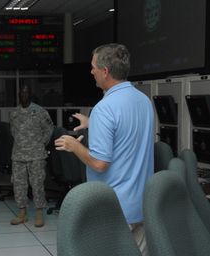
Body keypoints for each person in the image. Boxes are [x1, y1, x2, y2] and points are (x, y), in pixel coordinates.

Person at [54, 43, 154, 256]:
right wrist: (94, 123)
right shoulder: (143, 100)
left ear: (105, 71)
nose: (91, 72)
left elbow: (100, 164)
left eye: (93, 67)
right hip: (141, 204)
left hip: (114, 208)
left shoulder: (105, 108)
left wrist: (75, 145)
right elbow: (127, 132)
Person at [9, 84, 54, 228]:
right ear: (18, 94)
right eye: (21, 93)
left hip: (36, 155)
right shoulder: (14, 113)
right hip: (18, 155)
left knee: (37, 184)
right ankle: (22, 213)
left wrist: (41, 144)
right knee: (19, 185)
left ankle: (39, 213)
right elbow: (13, 132)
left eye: (26, 92)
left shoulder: (40, 111)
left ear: (30, 94)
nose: (24, 95)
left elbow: (49, 128)